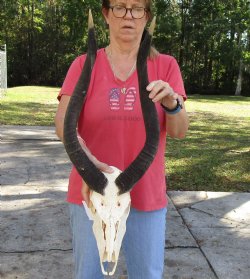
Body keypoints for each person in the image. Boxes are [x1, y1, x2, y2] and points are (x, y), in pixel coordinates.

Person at [55, 0, 189, 278]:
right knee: (89, 274)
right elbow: (63, 126)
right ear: (106, 14)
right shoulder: (83, 64)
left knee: (147, 275)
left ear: (146, 16)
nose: (128, 15)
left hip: (145, 193)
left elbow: (178, 131)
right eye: (120, 6)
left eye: (137, 8)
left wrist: (171, 102)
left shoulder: (165, 66)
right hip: (91, 193)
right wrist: (89, 164)